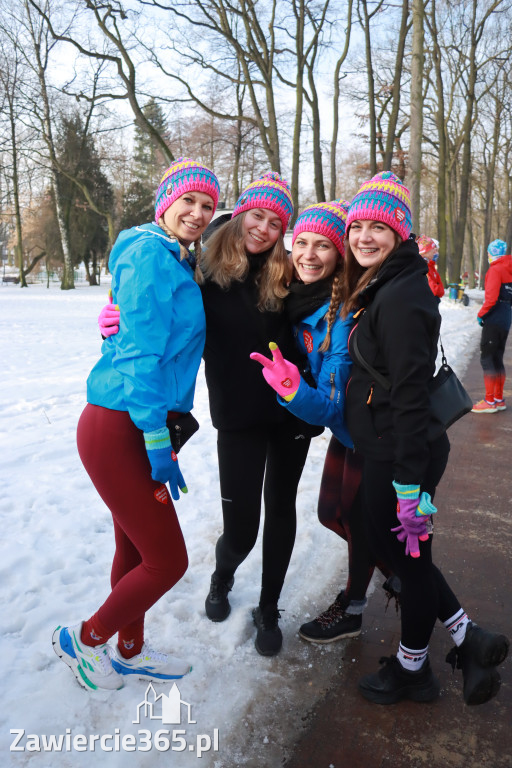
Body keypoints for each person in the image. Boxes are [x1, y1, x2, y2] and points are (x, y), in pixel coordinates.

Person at [341, 171, 509, 705]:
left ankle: (414, 670)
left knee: (409, 561)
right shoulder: (387, 283)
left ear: (401, 235)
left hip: (401, 451)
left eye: (378, 228)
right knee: (401, 553)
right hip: (388, 445)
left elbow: (411, 397)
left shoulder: (402, 297)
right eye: (358, 226)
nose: (365, 236)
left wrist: (410, 485)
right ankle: (468, 637)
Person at [53, 158, 220, 691]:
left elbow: (137, 336)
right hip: (123, 423)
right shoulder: (151, 253)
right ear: (164, 202)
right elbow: (142, 355)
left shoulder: (173, 257)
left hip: (133, 420)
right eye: (188, 201)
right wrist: (153, 436)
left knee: (133, 549)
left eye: (207, 206)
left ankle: (130, 650)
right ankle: (85, 641)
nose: (197, 213)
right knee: (168, 560)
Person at [251, 200, 394, 644]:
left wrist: (291, 389)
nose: (309, 254)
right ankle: (404, 579)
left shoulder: (342, 313)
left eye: (324, 246)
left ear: (339, 256)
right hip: (350, 432)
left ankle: (373, 598)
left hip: (369, 433)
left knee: (357, 520)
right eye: (303, 243)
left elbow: (330, 404)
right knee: (334, 514)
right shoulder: (292, 295)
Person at [200, 172, 325, 657]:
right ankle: (222, 574)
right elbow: (161, 316)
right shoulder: (204, 271)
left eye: (276, 222)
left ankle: (269, 606)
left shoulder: (288, 271)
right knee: (241, 527)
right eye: (258, 215)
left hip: (290, 410)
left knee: (281, 509)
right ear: (240, 213)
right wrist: (116, 325)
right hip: (237, 413)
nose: (264, 228)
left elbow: (332, 300)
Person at [471, 238, 512, 413]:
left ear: (492, 253)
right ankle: (498, 399)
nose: (487, 255)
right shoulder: (509, 268)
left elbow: (491, 298)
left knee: (487, 358)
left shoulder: (495, 269)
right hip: (506, 317)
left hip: (494, 318)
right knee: (497, 358)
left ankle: (489, 401)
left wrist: (481, 315)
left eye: (488, 252)